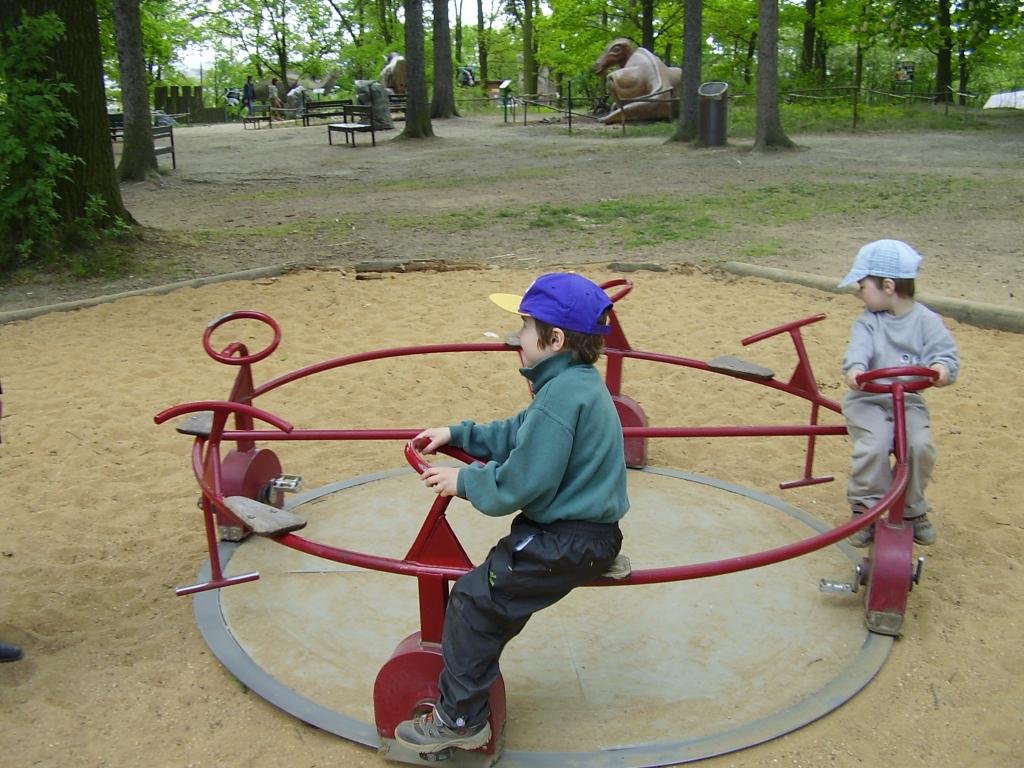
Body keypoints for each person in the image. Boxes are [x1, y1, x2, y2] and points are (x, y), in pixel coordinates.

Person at [394, 273, 630, 754]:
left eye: (525, 326)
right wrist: (459, 434)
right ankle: (599, 558)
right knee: (496, 587)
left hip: (564, 540)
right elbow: (519, 432)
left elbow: (523, 482)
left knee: (473, 600)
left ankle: (461, 719)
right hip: (597, 533)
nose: (516, 336)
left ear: (555, 339)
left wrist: (465, 482)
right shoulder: (577, 383)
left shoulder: (560, 397)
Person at [838, 239, 959, 548]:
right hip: (869, 399)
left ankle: (911, 508)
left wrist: (941, 369)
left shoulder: (926, 321)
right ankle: (865, 508)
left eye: (862, 286)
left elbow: (944, 355)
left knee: (920, 447)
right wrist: (855, 369)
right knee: (874, 446)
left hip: (908, 400)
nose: (859, 292)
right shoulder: (868, 322)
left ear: (888, 286)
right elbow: (858, 352)